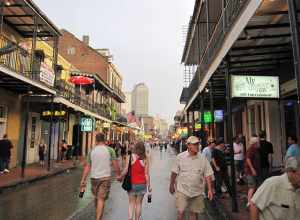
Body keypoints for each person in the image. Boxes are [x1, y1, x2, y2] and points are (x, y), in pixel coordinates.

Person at [169, 136, 214, 220]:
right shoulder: (180, 157)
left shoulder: (202, 158)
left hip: (197, 191)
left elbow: (208, 174)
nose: (197, 146)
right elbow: (174, 172)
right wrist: (171, 185)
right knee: (180, 211)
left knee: (193, 212)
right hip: (182, 190)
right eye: (195, 144)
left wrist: (210, 190)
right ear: (188, 146)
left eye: (198, 144)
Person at [80, 133, 121, 220]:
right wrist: (119, 175)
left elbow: (87, 166)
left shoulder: (92, 151)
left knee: (97, 198)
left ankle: (98, 216)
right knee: (101, 199)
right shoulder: (110, 150)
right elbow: (115, 164)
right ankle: (98, 218)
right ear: (104, 140)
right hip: (105, 178)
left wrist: (83, 179)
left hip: (94, 178)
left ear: (96, 140)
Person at [121, 142, 151, 220]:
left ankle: (130, 218)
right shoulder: (146, 158)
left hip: (132, 184)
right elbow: (147, 174)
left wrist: (120, 176)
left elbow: (126, 170)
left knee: (131, 203)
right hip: (142, 184)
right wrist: (149, 186)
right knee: (139, 204)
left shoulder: (130, 157)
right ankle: (137, 219)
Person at [245, 136, 261, 207]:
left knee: (254, 187)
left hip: (254, 171)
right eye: (258, 142)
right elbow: (248, 159)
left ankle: (253, 201)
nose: (259, 143)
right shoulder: (251, 150)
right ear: (255, 143)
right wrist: (252, 169)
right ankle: (249, 202)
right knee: (252, 187)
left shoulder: (255, 149)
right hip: (250, 172)